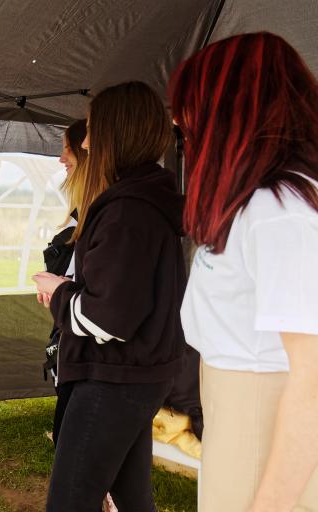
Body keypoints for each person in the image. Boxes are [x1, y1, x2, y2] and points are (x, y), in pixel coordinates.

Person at [171, 32, 318, 512]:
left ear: (229, 109)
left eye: (190, 109)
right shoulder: (259, 203)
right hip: (236, 402)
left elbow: (312, 382)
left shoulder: (282, 210)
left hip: (260, 409)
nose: (181, 123)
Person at [32, 81, 186, 512]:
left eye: (92, 130)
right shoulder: (141, 200)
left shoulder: (127, 210)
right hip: (134, 374)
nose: (84, 142)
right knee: (132, 496)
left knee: (69, 502)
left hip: (114, 377)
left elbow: (109, 319)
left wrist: (59, 292)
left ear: (117, 133)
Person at [42, 118, 87, 445]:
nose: (62, 158)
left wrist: (60, 288)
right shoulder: (82, 211)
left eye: (67, 149)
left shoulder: (107, 213)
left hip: (89, 346)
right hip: (74, 335)